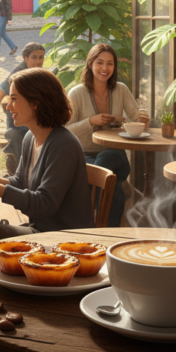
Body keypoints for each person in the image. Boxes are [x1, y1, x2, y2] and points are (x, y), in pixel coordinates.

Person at [0, 67, 94, 251]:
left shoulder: (63, 144)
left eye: (14, 99)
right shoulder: (31, 137)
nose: (8, 106)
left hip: (64, 240)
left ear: (35, 103)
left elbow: (45, 205)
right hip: (41, 231)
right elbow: (21, 181)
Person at [65, 43, 147, 227]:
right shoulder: (76, 93)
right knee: (114, 189)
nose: (105, 68)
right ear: (90, 64)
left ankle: (86, 225)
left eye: (110, 63)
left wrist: (140, 119)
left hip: (116, 155)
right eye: (100, 62)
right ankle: (109, 230)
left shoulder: (121, 89)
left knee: (105, 158)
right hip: (84, 155)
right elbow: (66, 130)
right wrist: (91, 121)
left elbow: (136, 117)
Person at [0, 42, 47, 176]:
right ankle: (17, 176)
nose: (38, 61)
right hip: (18, 126)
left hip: (34, 124)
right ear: (26, 59)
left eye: (41, 57)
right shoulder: (18, 74)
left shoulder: (40, 74)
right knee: (14, 139)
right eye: (34, 57)